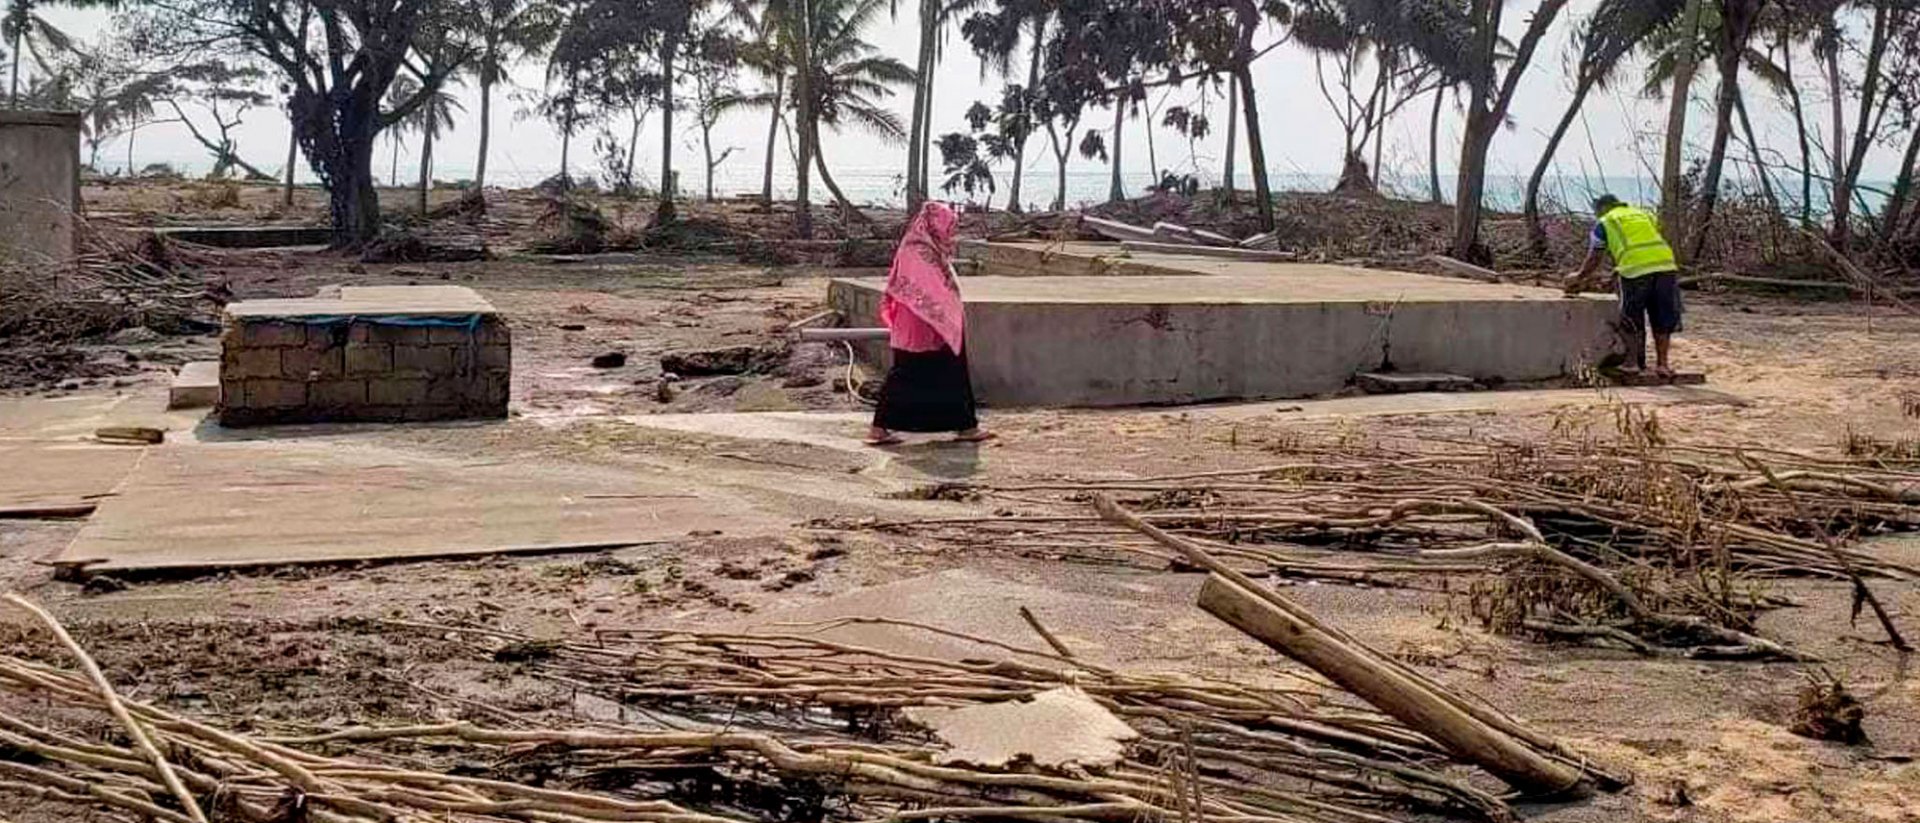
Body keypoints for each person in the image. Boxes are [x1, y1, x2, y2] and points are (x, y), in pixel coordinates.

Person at [865, 202, 993, 446]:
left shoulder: (928, 248)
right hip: (922, 324)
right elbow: (928, 290)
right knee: (908, 373)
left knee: (945, 373)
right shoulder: (917, 251)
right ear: (935, 224)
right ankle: (878, 429)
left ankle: (965, 426)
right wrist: (945, 316)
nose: (950, 232)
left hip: (933, 323)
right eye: (948, 226)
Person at [1565, 194, 1684, 378]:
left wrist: (1579, 277)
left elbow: (1595, 257)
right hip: (1666, 266)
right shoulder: (1643, 215)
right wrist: (1616, 272)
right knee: (1662, 317)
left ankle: (1632, 364)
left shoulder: (1605, 222)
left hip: (1635, 270)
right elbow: (1642, 244)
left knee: (1631, 318)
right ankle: (1662, 365)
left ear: (1602, 208)